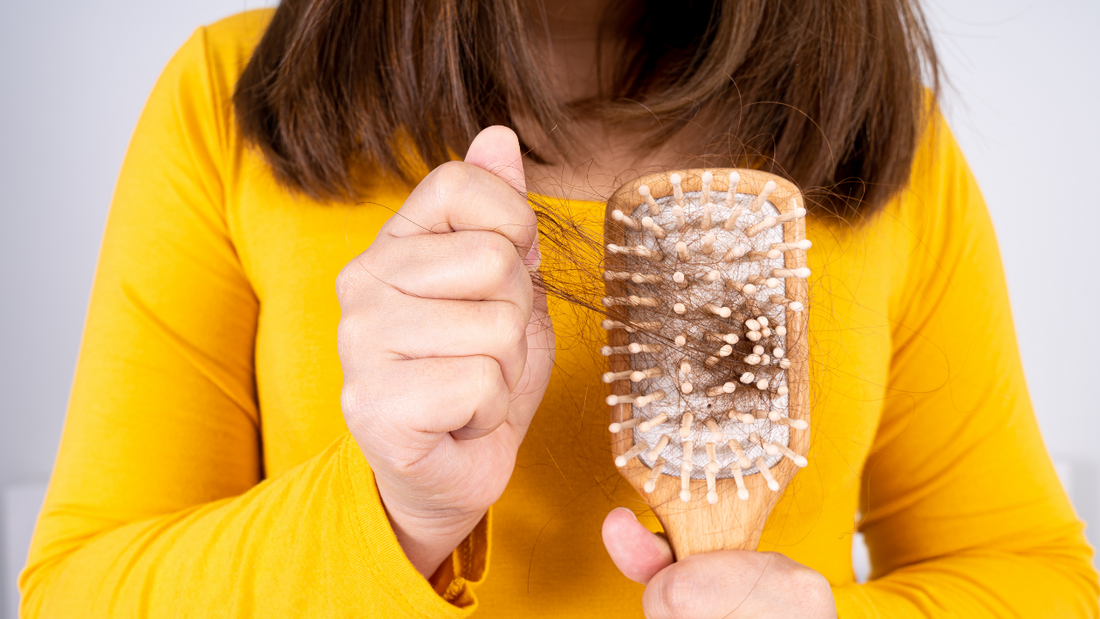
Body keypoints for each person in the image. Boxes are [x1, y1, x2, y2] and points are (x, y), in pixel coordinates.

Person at [20, 1, 1100, 617]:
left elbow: (1034, 579)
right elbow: (76, 597)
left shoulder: (879, 137)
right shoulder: (228, 101)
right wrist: (395, 514)